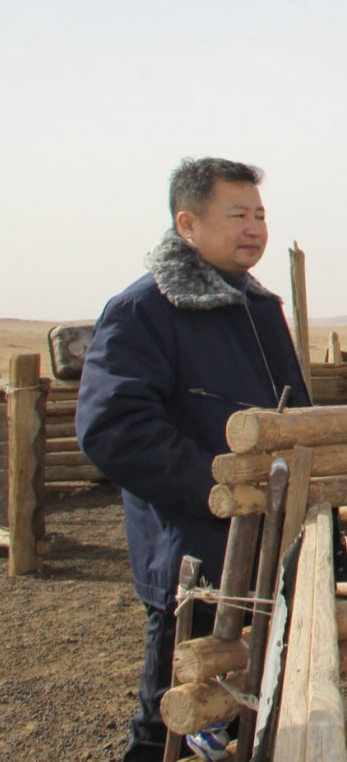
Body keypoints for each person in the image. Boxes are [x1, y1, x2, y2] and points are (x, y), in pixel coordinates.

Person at [77, 158, 310, 762]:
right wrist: (225, 487)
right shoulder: (144, 310)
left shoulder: (258, 308)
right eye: (237, 215)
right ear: (188, 224)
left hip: (269, 547)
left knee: (259, 715)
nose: (254, 228)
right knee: (174, 722)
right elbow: (114, 430)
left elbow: (292, 419)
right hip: (196, 554)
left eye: (259, 214)